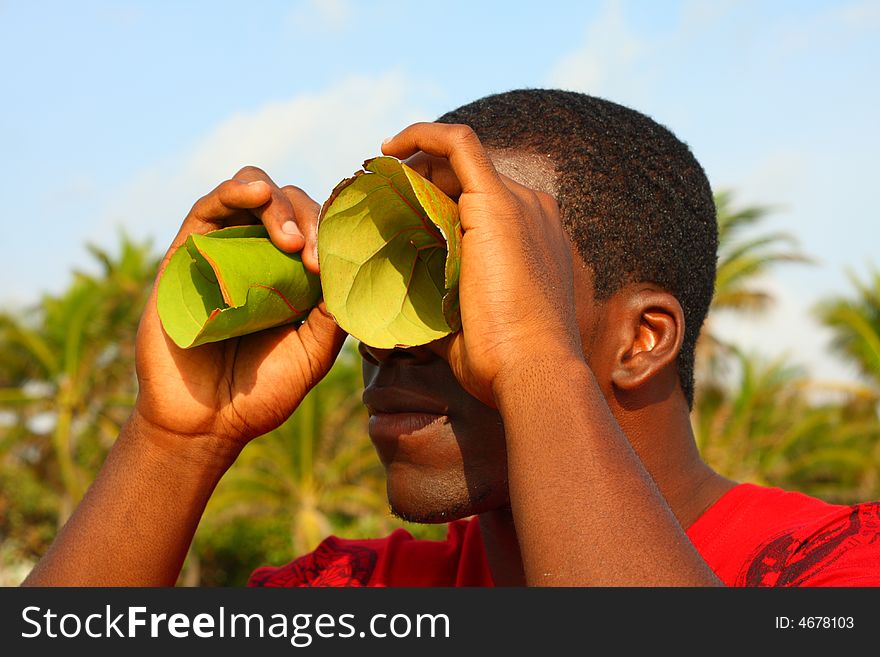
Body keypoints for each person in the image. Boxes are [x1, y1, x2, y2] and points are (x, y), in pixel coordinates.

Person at [23, 89, 880, 587]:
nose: (389, 339)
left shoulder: (834, 569)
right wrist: (174, 442)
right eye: (384, 279)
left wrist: (537, 364)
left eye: (471, 277)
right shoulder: (356, 592)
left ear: (640, 338)